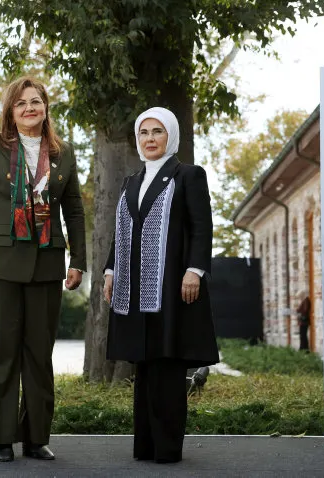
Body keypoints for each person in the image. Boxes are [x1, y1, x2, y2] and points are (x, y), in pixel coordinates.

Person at [0, 76, 86, 463]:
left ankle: (36, 438)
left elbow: (75, 211)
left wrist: (78, 260)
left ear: (46, 107)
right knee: (1, 352)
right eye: (21, 104)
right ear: (10, 111)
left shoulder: (63, 154)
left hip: (48, 263)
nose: (30, 108)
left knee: (38, 354)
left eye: (36, 101)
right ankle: (2, 437)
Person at [103, 106, 219, 464]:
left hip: (173, 286)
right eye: (144, 132)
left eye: (157, 132)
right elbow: (122, 230)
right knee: (145, 364)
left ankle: (167, 449)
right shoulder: (131, 180)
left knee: (167, 366)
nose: (150, 139)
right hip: (136, 289)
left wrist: (195, 270)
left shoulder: (188, 175)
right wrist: (110, 271)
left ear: (171, 136)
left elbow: (202, 226)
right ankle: (146, 447)